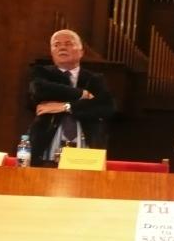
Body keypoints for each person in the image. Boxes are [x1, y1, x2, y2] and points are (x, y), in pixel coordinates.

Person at [28, 29, 116, 165]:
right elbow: (40, 90)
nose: (62, 47)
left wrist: (66, 107)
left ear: (81, 52)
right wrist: (82, 94)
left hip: (86, 150)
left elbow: (106, 106)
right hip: (46, 150)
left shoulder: (94, 79)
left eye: (68, 43)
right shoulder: (42, 72)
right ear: (52, 52)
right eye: (56, 45)